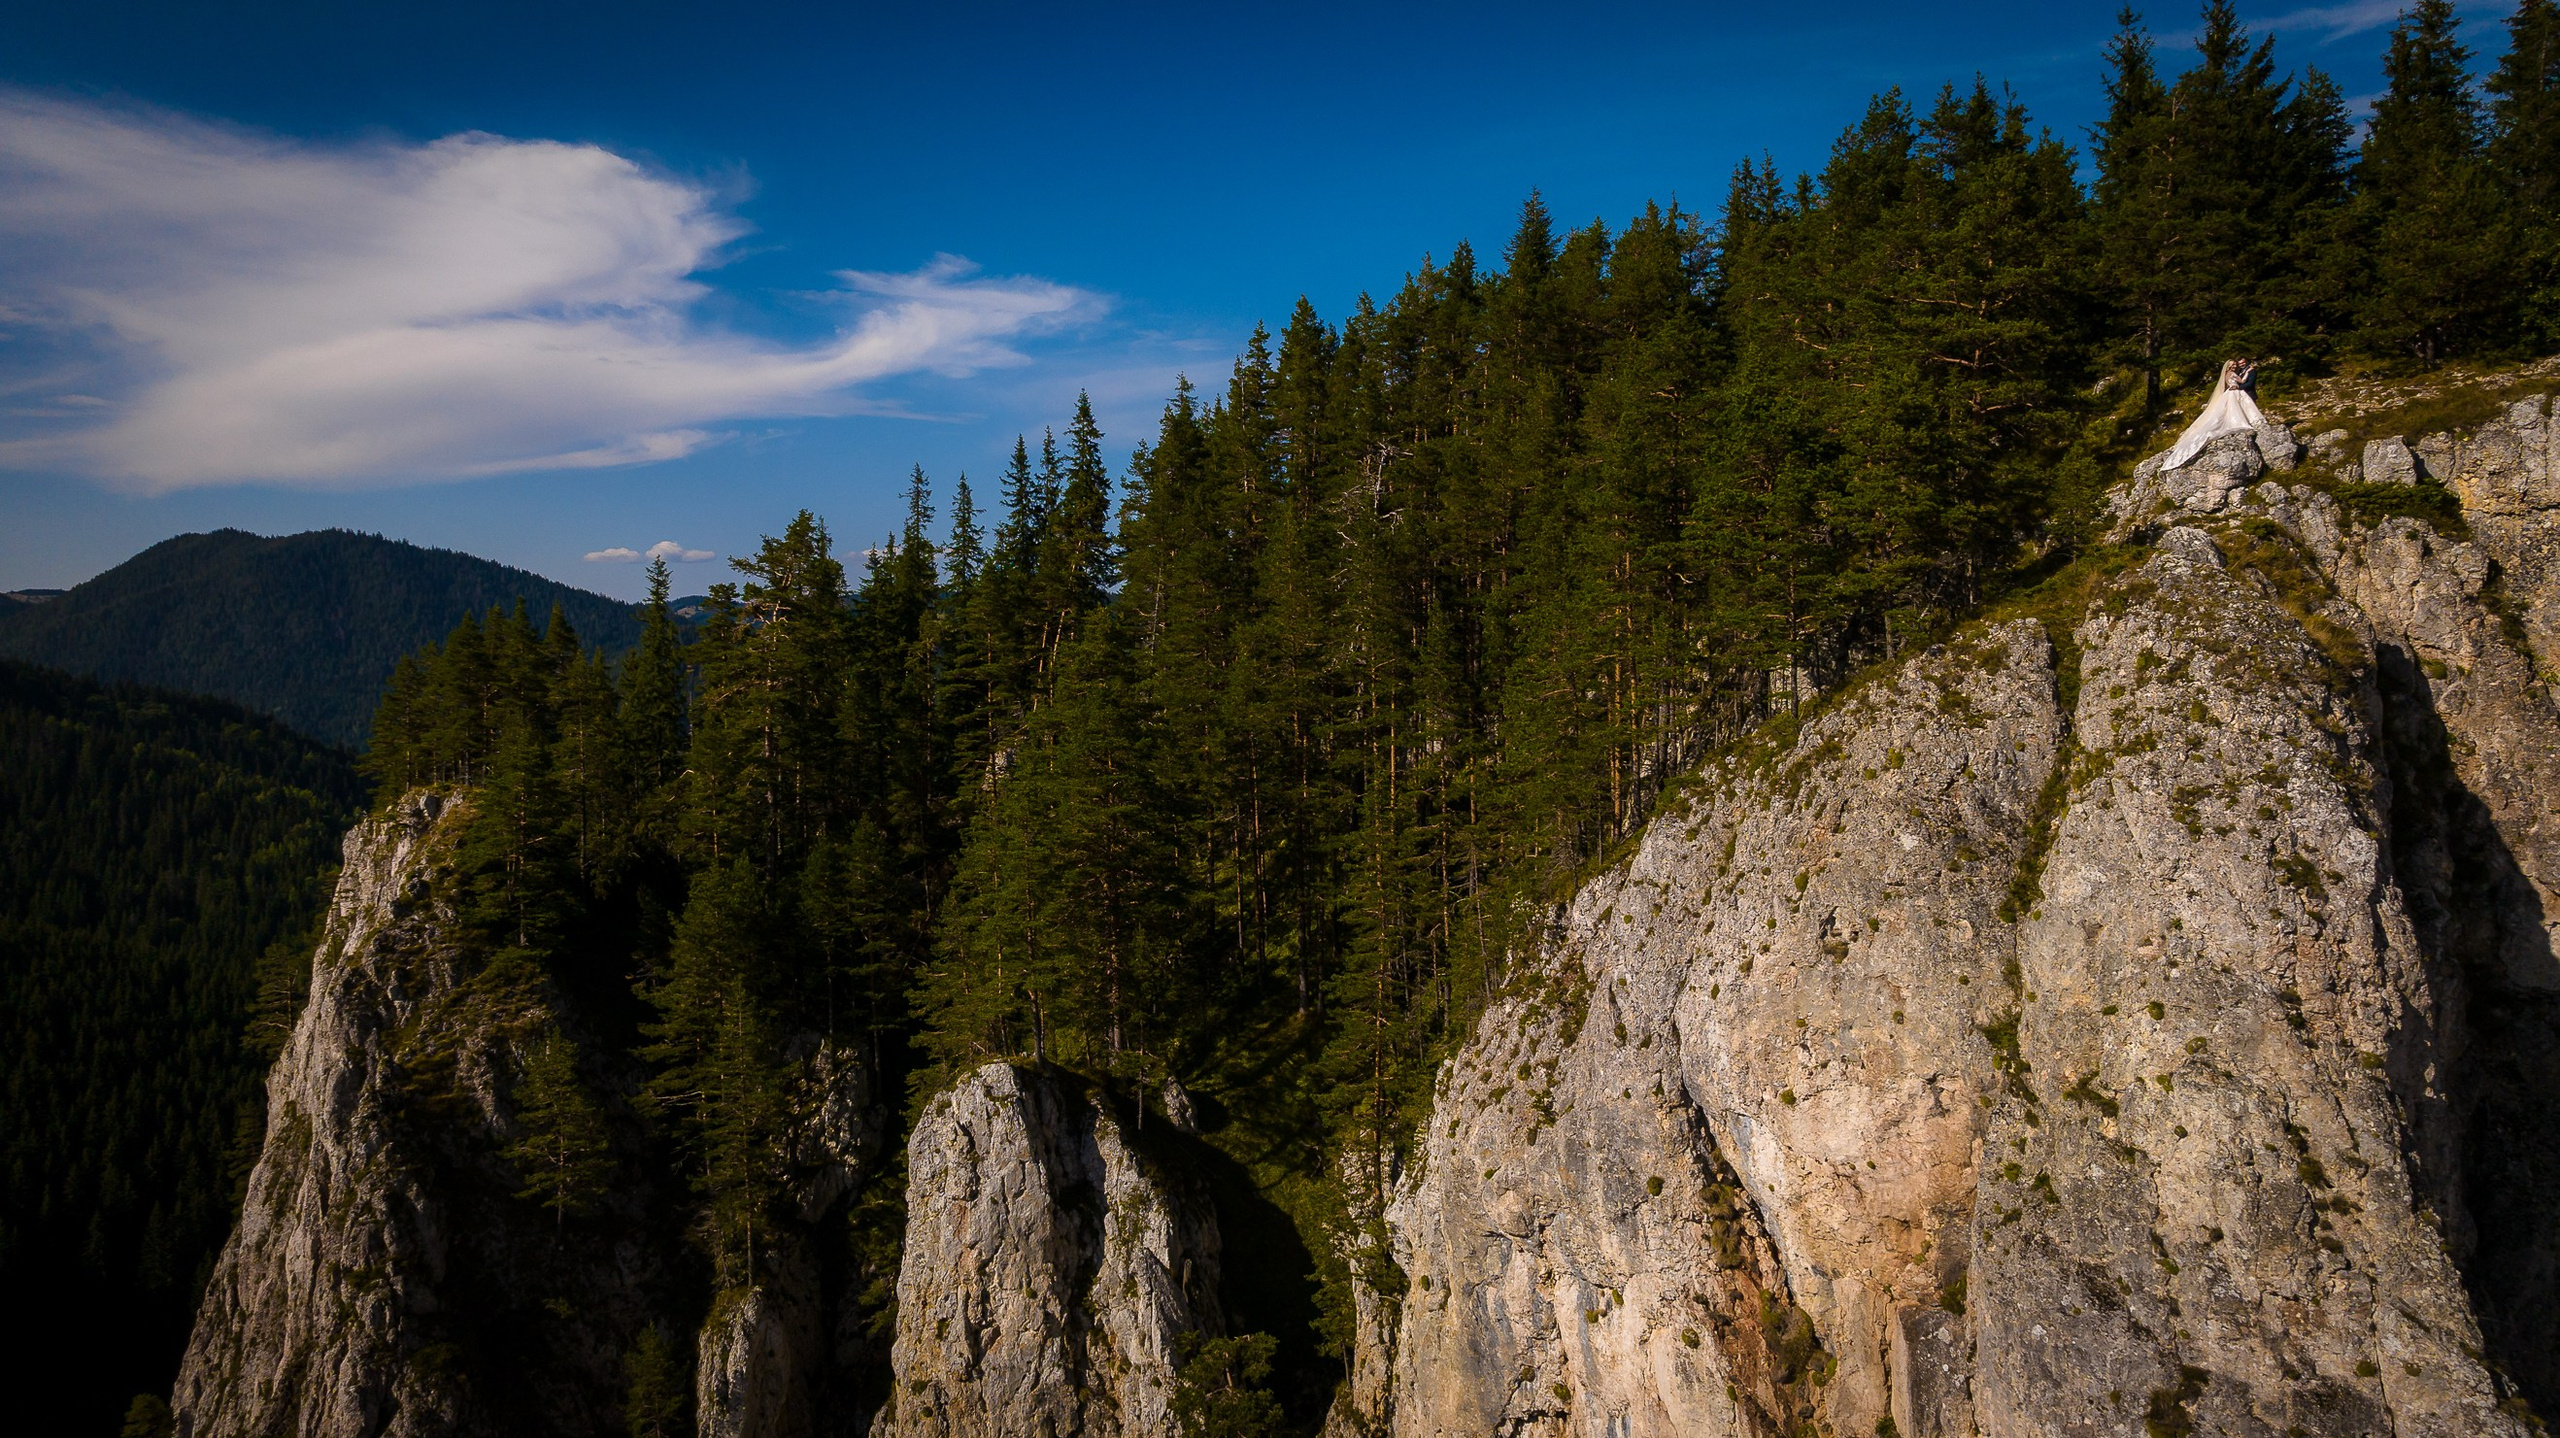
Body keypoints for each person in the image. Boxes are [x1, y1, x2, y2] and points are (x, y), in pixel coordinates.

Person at [2162, 358, 2268, 471]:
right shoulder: (2233, 373)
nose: (2235, 366)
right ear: (2228, 366)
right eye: (2232, 365)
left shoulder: (2227, 374)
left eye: (2235, 364)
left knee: (2233, 408)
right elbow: (2242, 381)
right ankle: (2243, 421)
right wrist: (2247, 373)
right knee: (2236, 408)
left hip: (2231, 392)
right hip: (2235, 391)